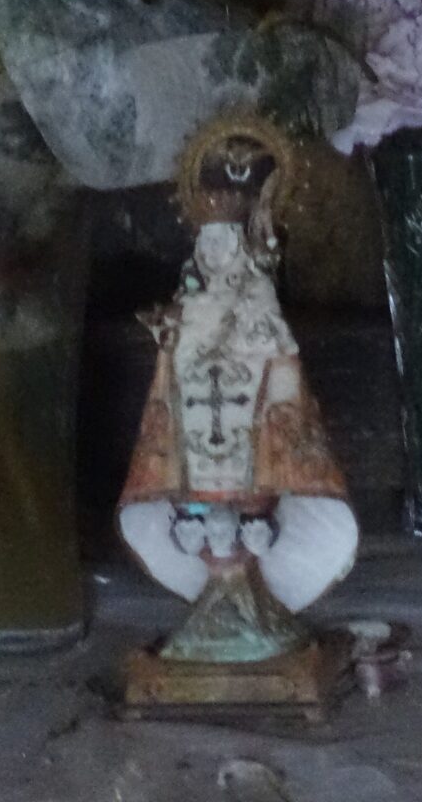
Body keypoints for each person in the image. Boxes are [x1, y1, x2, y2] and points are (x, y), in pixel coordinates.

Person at [119, 144, 357, 660]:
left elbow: (277, 350)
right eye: (206, 243)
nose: (213, 252)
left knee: (249, 504)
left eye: (222, 242)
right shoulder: (190, 303)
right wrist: (171, 337)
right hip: (198, 431)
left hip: (249, 433)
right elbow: (176, 361)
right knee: (200, 502)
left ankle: (250, 595)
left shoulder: (255, 298)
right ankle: (217, 595)